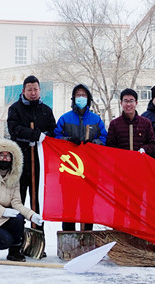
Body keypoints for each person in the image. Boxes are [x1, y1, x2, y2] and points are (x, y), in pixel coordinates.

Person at [0, 138, 43, 262]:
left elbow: (16, 203)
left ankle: (14, 252)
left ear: (13, 159)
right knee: (4, 241)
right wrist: (3, 211)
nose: (4, 158)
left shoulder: (14, 178)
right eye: (1, 155)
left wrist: (31, 215)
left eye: (8, 156)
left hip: (6, 219)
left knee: (19, 219)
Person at [6, 75, 56, 236]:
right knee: (17, 202)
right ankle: (17, 238)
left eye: (35, 89)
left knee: (38, 202)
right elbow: (14, 129)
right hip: (20, 163)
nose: (33, 93)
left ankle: (38, 235)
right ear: (23, 91)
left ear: (40, 90)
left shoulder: (46, 111)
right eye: (29, 90)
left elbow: (53, 132)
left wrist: (44, 136)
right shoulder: (15, 109)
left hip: (39, 164)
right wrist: (33, 135)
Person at [54, 83, 107, 231]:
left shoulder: (96, 120)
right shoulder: (65, 119)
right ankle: (69, 236)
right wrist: (69, 141)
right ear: (73, 98)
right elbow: (56, 138)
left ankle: (87, 235)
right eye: (78, 95)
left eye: (84, 95)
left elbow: (104, 138)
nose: (81, 98)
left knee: (87, 206)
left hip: (90, 170)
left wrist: (93, 143)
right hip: (70, 169)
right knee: (69, 206)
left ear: (88, 99)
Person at [107, 88, 155, 156]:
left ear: (136, 103)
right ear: (121, 103)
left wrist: (144, 149)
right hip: (121, 160)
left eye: (131, 101)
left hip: (140, 160)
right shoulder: (114, 124)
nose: (128, 104)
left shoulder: (146, 123)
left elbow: (152, 144)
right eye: (125, 101)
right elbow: (110, 145)